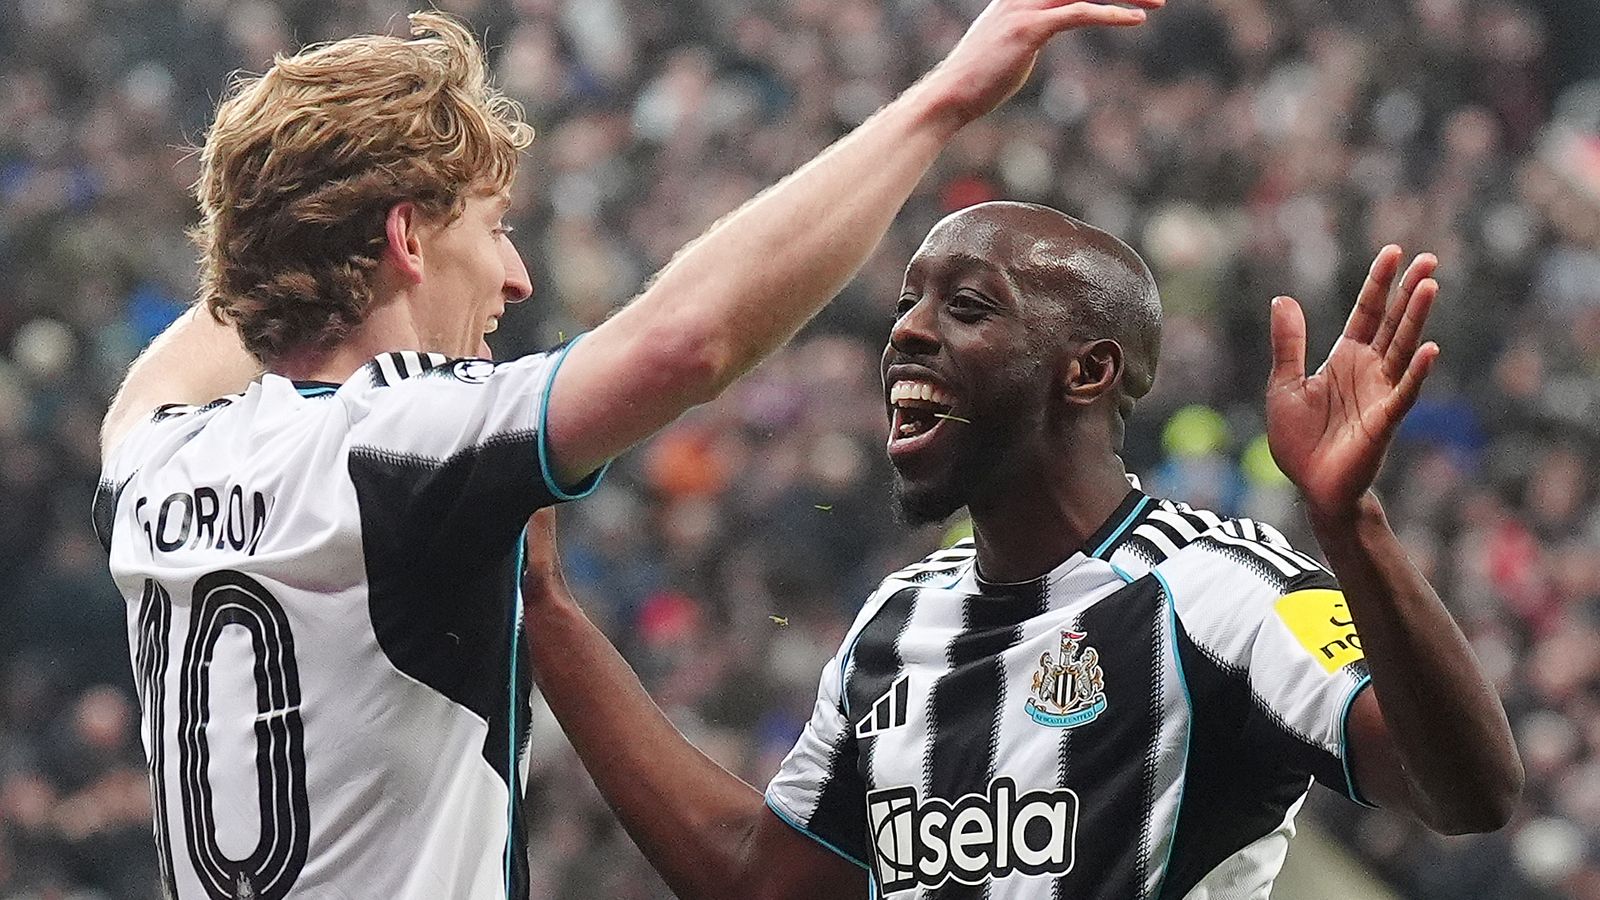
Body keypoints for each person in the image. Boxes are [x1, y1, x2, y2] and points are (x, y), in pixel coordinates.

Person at [92, 5, 1164, 899]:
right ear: (407, 238)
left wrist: (294, 206)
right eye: (494, 225)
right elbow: (688, 343)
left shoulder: (150, 458)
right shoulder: (403, 442)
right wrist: (946, 98)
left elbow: (227, 301)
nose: (516, 277)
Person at [520, 202, 1524, 899]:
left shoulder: (1214, 590)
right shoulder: (896, 624)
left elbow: (1467, 791)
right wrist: (548, 610)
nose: (906, 334)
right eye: (907, 305)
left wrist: (1351, 526)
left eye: (965, 307)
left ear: (1085, 372)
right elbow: (762, 884)